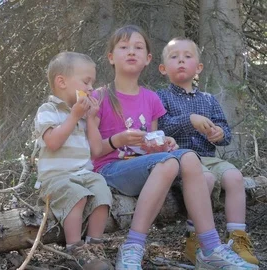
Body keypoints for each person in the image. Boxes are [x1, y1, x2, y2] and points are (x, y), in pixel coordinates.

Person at [91, 25, 258, 270]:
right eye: (123, 47)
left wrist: (164, 143)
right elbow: (94, 152)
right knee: (175, 160)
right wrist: (119, 140)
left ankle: (210, 248)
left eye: (138, 47)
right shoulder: (100, 96)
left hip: (141, 169)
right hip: (110, 169)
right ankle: (132, 248)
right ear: (110, 57)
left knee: (187, 158)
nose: (131, 52)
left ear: (148, 59)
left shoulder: (151, 99)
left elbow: (152, 146)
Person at [157, 37, 258, 265]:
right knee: (206, 179)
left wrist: (220, 134)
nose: (181, 61)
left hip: (209, 157)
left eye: (187, 57)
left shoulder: (209, 100)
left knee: (234, 176)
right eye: (174, 57)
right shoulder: (161, 97)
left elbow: (224, 130)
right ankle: (195, 240)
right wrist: (189, 120)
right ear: (163, 68)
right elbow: (161, 127)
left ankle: (237, 238)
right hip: (182, 159)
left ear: (198, 68)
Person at [34, 51, 113, 269]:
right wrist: (74, 116)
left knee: (102, 189)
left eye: (92, 83)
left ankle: (95, 244)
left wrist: (92, 121)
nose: (90, 88)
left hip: (83, 174)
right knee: (76, 194)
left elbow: (96, 150)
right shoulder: (48, 110)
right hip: (56, 178)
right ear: (62, 82)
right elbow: (52, 142)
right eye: (86, 82)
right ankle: (75, 247)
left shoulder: (81, 114)